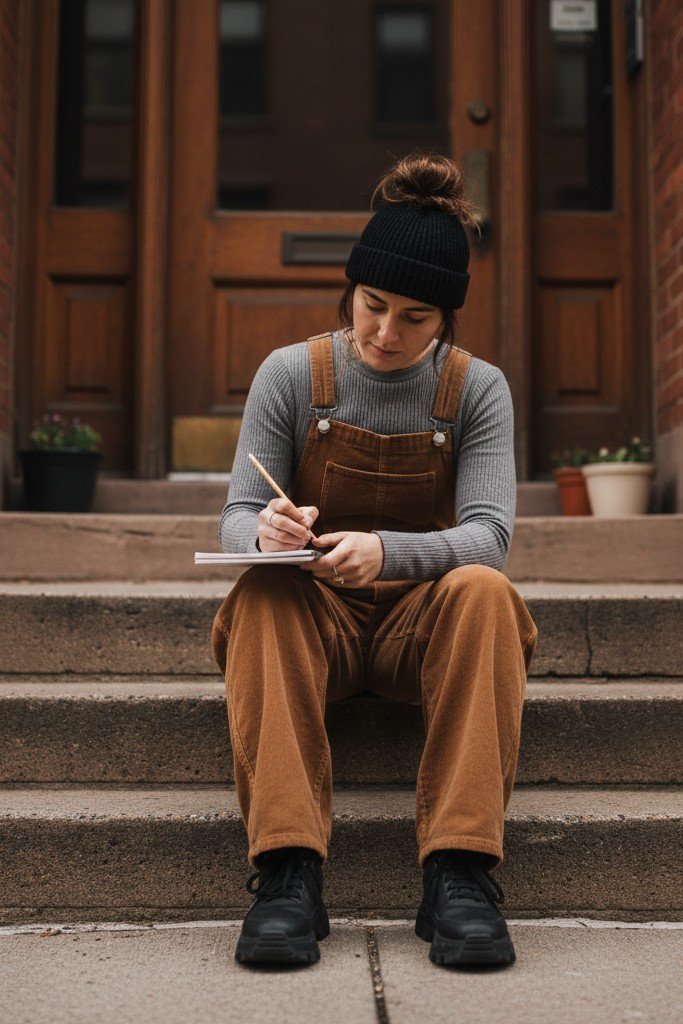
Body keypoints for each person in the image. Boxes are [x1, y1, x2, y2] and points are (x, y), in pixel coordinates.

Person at [211, 151, 539, 969]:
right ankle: (287, 873)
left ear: (447, 318)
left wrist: (389, 553)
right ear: (350, 291)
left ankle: (459, 874)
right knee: (259, 594)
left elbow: (489, 536)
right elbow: (235, 516)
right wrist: (266, 536)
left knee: (485, 591)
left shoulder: (476, 391)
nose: (386, 334)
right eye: (372, 306)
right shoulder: (291, 375)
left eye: (415, 318)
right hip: (312, 625)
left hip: (419, 633)